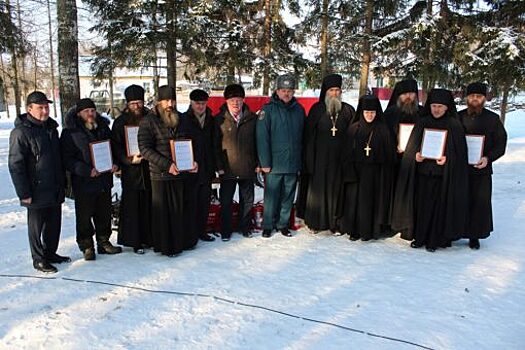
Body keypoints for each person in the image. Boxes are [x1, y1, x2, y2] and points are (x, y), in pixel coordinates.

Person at [392, 89, 469, 252]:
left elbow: (460, 155)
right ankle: (420, 237)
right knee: (421, 207)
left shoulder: (455, 125)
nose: (436, 109)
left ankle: (436, 239)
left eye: (440, 106)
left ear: (447, 107)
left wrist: (448, 159)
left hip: (443, 176)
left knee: (439, 208)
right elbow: (412, 148)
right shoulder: (422, 122)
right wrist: (416, 156)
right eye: (434, 106)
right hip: (423, 173)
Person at [8, 91, 68, 273]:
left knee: (54, 223)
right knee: (36, 226)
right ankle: (38, 258)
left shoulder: (51, 129)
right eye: (40, 107)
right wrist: (23, 193)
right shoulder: (21, 132)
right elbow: (16, 165)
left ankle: (50, 252)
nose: (44, 111)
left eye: (46, 107)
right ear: (29, 109)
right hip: (35, 189)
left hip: (54, 186)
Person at [138, 85, 199, 256]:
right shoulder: (148, 121)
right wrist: (167, 165)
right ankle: (167, 246)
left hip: (181, 173)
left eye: (172, 100)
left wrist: (193, 161)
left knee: (180, 210)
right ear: (159, 102)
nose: (170, 104)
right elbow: (145, 149)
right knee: (164, 213)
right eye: (166, 100)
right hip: (161, 174)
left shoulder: (181, 119)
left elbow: (190, 141)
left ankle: (183, 242)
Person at [61, 98, 122, 260]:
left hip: (104, 180)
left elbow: (113, 149)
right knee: (84, 217)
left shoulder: (103, 128)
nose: (90, 114)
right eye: (86, 111)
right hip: (84, 182)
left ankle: (103, 242)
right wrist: (87, 170)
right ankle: (86, 245)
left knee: (104, 213)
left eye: (93, 110)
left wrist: (115, 163)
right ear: (79, 113)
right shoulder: (70, 132)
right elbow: (67, 159)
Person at [298, 73, 356, 234]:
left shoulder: (348, 110)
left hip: (339, 161)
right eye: (331, 90)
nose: (335, 93)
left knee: (336, 192)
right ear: (325, 92)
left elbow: (354, 135)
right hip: (319, 161)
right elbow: (308, 138)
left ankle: (335, 223)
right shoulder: (317, 110)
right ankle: (315, 223)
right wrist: (309, 161)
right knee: (318, 193)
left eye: (337, 90)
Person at [339, 95, 396, 241]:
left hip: (375, 174)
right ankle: (354, 231)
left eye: (372, 112)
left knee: (372, 203)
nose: (369, 115)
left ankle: (370, 231)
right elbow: (345, 153)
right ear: (362, 113)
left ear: (377, 113)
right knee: (355, 203)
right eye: (366, 113)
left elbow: (389, 154)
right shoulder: (354, 129)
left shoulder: (383, 130)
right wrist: (349, 170)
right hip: (356, 173)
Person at [458, 82, 507, 249]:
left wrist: (488, 158)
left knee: (478, 204)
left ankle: (474, 235)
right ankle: (456, 231)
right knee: (459, 200)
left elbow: (501, 144)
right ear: (467, 98)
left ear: (484, 98)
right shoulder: (458, 117)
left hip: (482, 169)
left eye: (478, 97)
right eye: (472, 96)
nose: (474, 99)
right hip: (461, 169)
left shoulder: (493, 119)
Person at [256, 74, 305, 238]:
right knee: (271, 196)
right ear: (277, 91)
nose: (287, 94)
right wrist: (265, 162)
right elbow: (262, 138)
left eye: (290, 91)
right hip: (274, 164)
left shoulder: (299, 110)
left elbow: (304, 136)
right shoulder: (267, 110)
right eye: (283, 90)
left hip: (292, 162)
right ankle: (268, 225)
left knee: (288, 196)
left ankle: (283, 224)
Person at [214, 84, 258, 241]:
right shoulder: (219, 120)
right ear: (226, 101)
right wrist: (219, 167)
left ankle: (244, 226)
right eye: (232, 100)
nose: (235, 103)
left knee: (247, 200)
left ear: (243, 100)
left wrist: (257, 163)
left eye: (238, 100)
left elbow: (257, 142)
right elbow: (215, 146)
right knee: (226, 201)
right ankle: (226, 229)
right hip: (228, 169)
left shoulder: (252, 118)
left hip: (247, 167)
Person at [111, 84, 152, 254]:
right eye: (133, 103)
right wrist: (128, 160)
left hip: (149, 169)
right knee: (133, 206)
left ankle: (150, 237)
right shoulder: (120, 122)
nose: (137, 106)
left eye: (139, 102)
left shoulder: (150, 117)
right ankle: (135, 241)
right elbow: (116, 146)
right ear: (127, 104)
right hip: (131, 171)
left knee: (150, 204)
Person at [182, 89, 216, 242]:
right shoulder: (184, 119)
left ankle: (202, 230)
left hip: (206, 167)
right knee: (191, 202)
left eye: (203, 103)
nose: (201, 106)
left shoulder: (211, 119)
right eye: (197, 103)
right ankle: (190, 231)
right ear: (191, 103)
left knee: (204, 202)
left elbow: (215, 143)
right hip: (190, 168)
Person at [383, 78, 423, 143]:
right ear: (399, 96)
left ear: (415, 95)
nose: (408, 97)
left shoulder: (423, 113)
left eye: (411, 93)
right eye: (404, 94)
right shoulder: (389, 113)